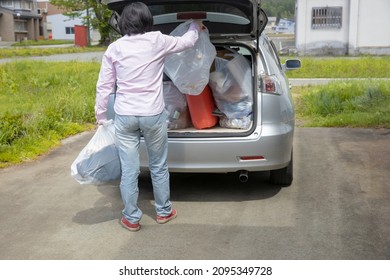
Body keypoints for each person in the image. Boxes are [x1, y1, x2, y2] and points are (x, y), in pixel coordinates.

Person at [94, 2, 202, 232]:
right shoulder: (157, 40)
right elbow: (187, 42)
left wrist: (101, 115)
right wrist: (195, 25)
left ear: (123, 23)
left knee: (130, 169)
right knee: (158, 166)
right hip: (152, 114)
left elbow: (104, 86)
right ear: (147, 21)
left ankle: (131, 217)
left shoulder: (114, 48)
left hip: (125, 116)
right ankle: (164, 212)